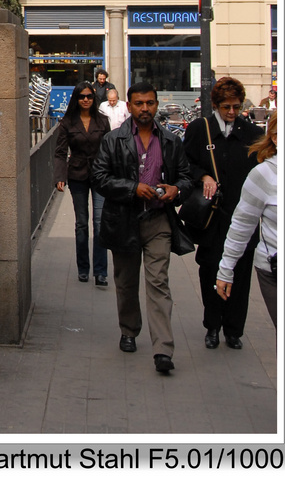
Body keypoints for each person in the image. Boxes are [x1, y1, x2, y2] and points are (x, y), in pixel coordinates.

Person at [93, 81, 194, 374]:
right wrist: (132, 188)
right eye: (139, 104)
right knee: (125, 282)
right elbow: (99, 177)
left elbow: (187, 178)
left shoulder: (171, 141)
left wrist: (177, 189)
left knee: (158, 282)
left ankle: (163, 348)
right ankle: (129, 329)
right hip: (124, 220)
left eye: (150, 103)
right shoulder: (114, 140)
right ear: (129, 105)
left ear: (157, 104)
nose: (145, 109)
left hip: (158, 221)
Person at [182, 76, 264, 350]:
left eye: (236, 107)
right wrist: (203, 175)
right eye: (226, 107)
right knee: (210, 271)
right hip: (212, 218)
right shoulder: (199, 129)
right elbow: (185, 165)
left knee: (240, 275)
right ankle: (212, 325)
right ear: (215, 105)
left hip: (243, 217)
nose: (231, 112)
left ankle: (234, 329)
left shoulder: (251, 134)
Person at [216, 112, 277, 329]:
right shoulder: (263, 175)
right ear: (276, 138)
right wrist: (226, 269)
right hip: (276, 270)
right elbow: (242, 225)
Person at [53, 83, 111, 286]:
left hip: (99, 175)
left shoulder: (103, 121)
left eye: (89, 96)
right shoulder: (67, 122)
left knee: (99, 221)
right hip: (77, 174)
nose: (86, 99)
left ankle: (101, 271)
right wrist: (59, 176)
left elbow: (108, 150)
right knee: (81, 224)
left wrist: (111, 174)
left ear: (94, 99)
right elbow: (60, 152)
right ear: (76, 99)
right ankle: (83, 268)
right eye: (81, 96)